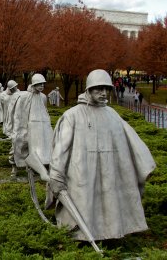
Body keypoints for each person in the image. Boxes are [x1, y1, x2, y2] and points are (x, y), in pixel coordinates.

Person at [49, 69, 155, 241]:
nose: (104, 93)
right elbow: (61, 149)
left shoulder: (112, 115)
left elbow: (132, 144)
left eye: (107, 89)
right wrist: (56, 174)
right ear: (89, 90)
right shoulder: (72, 115)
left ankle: (112, 234)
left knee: (110, 204)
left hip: (110, 171)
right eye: (98, 89)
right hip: (82, 172)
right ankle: (81, 237)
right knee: (84, 205)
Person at [8, 74, 53, 179]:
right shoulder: (25, 96)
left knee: (40, 147)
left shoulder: (43, 97)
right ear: (33, 84)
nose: (41, 86)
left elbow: (45, 111)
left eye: (43, 84)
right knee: (19, 144)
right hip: (27, 125)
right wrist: (19, 128)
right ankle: (14, 167)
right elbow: (19, 114)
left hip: (41, 126)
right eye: (39, 84)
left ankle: (39, 168)